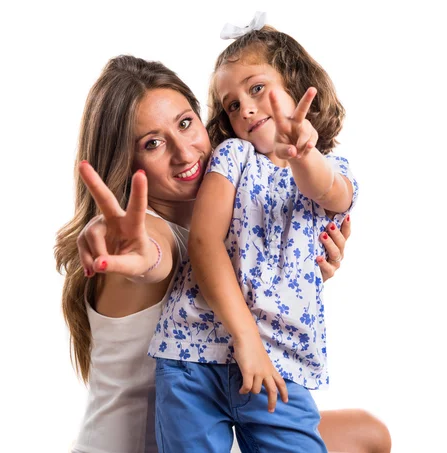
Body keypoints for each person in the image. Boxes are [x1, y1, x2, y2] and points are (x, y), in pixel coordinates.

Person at [55, 55, 390, 453]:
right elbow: (154, 257)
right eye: (153, 143)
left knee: (369, 434)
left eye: (185, 123)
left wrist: (307, 269)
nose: (184, 152)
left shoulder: (228, 217)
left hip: (220, 419)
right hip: (150, 443)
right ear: (125, 164)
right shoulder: (148, 231)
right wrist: (126, 248)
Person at [148, 22, 362, 452]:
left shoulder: (334, 170)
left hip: (280, 365)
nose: (245, 109)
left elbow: (330, 192)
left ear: (299, 86)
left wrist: (304, 153)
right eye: (231, 105)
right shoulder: (233, 156)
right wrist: (246, 340)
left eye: (257, 88)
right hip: (194, 352)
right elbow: (205, 242)